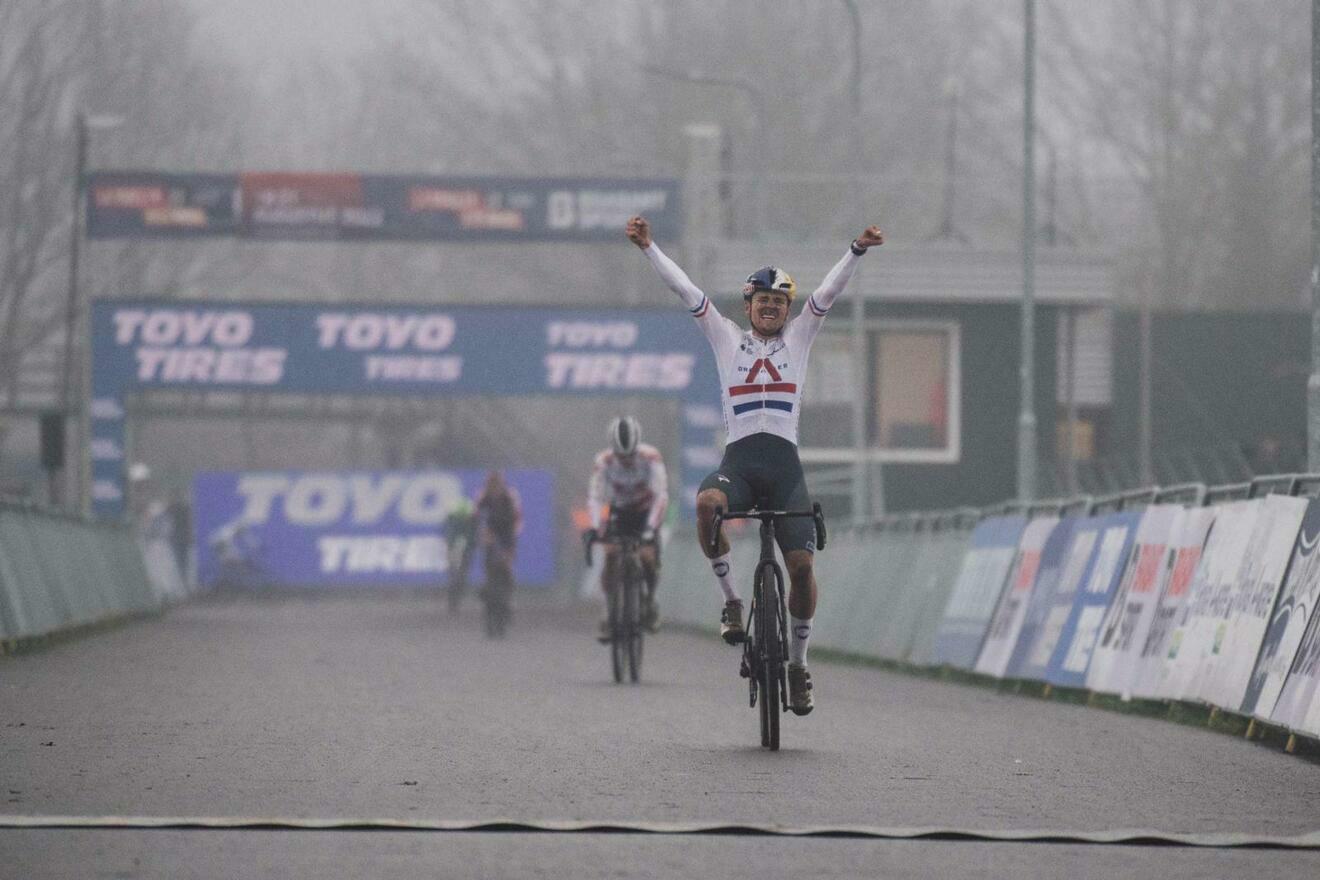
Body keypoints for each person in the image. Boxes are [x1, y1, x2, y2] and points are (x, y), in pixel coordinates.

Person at [626, 213, 884, 716]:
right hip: (741, 463)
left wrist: (856, 249)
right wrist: (649, 248)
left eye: (778, 302)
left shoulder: (800, 338)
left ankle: (799, 664)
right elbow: (685, 290)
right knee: (707, 505)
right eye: (763, 301)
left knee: (803, 568)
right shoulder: (724, 338)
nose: (770, 308)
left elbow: (829, 293)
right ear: (748, 306)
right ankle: (731, 601)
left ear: (788, 309)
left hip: (785, 467)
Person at [581, 416, 669, 639]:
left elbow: (660, 495)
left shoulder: (651, 458)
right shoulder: (603, 461)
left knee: (648, 557)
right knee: (611, 555)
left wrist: (650, 529)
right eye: (622, 455)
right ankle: (609, 611)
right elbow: (595, 497)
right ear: (614, 450)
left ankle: (649, 601)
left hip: (646, 513)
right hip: (619, 513)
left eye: (630, 455)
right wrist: (594, 526)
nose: (627, 460)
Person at [474, 470, 522, 632]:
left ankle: (508, 600)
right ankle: (488, 600)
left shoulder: (510, 497)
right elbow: (476, 516)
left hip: (507, 536)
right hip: (491, 537)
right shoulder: (483, 497)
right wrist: (482, 535)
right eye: (491, 486)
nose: (494, 489)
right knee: (490, 572)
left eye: (497, 486)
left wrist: (510, 546)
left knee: (506, 569)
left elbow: (517, 520)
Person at [444, 497, 478, 614]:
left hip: (462, 550)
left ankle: (455, 600)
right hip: (457, 550)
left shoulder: (468, 520)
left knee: (459, 576)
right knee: (457, 576)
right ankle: (454, 601)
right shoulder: (456, 520)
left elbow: (473, 537)